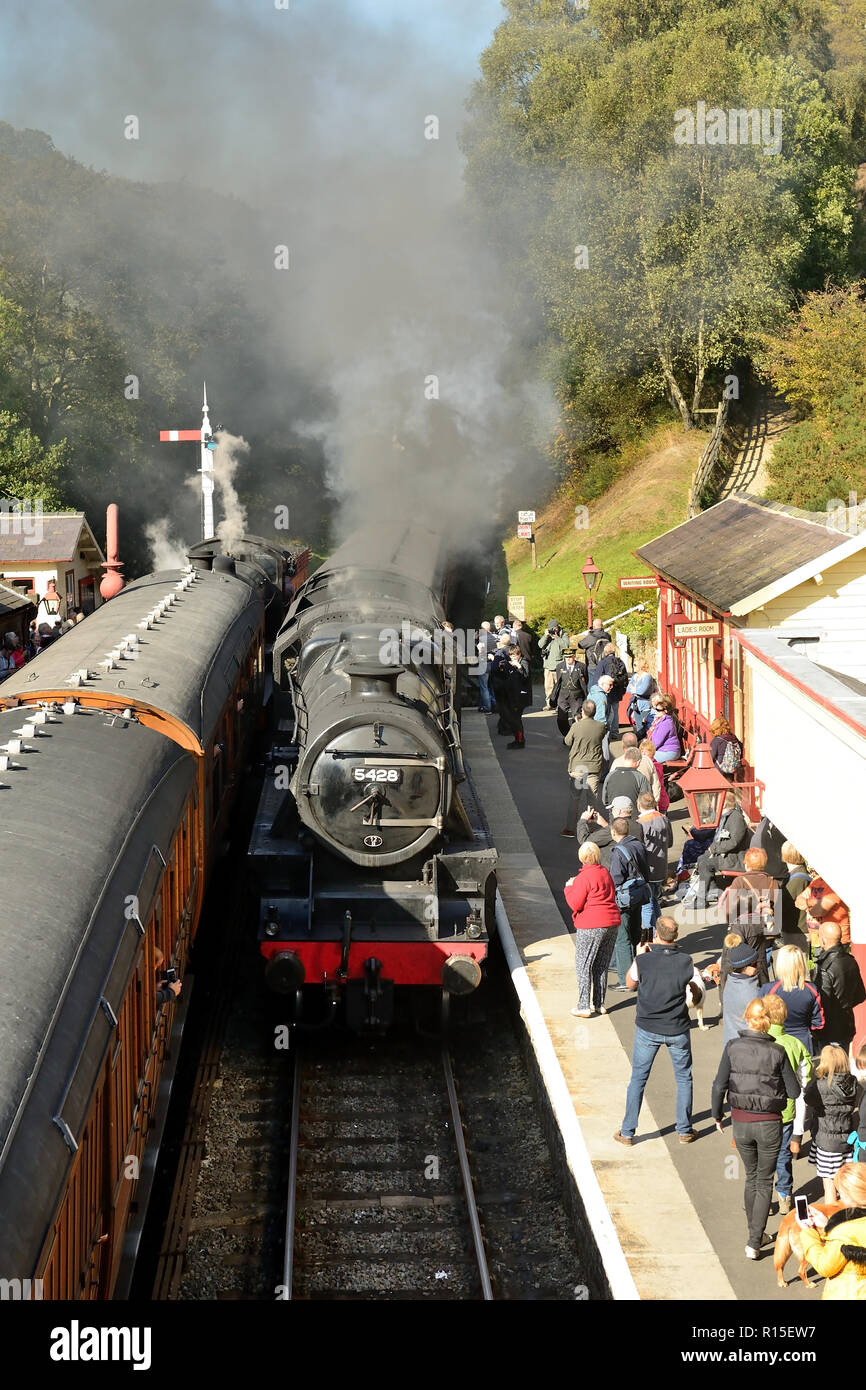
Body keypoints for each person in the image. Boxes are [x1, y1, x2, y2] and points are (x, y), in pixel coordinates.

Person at [711, 996, 799, 1259]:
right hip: (770, 1123)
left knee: (751, 1177)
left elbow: (718, 1086)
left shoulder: (732, 1047)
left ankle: (755, 1234)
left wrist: (718, 1115)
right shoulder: (778, 1052)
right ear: (767, 1023)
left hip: (740, 1122)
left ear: (746, 1019)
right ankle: (754, 1240)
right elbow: (793, 1091)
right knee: (764, 1180)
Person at [613, 917, 703, 1146]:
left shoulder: (643, 960)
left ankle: (627, 1132)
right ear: (676, 936)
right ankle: (684, 1130)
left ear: (656, 935)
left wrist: (639, 955)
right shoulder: (686, 961)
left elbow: (630, 984)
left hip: (647, 1028)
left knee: (638, 1079)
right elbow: (695, 986)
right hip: (678, 1028)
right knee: (683, 1078)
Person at [763, 992, 812, 1216]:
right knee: (783, 1155)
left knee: (762, 1157)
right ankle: (784, 1197)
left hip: (760, 1112)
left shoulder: (756, 1043)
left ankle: (762, 1200)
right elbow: (805, 1079)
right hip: (785, 1111)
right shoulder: (795, 1044)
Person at [564, 841, 621, 1017]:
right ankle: (599, 1004)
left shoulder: (583, 878)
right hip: (611, 922)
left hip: (591, 924)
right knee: (601, 965)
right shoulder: (605, 872)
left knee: (584, 964)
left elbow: (575, 904)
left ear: (582, 858)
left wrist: (568, 888)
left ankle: (583, 1006)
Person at [796, 1162, 866, 1300]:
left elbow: (825, 1266)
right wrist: (827, 1225)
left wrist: (808, 1231)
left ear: (850, 1195)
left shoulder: (844, 1233)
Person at [717, 847, 780, 986]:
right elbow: (778, 911)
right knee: (763, 965)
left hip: (744, 931)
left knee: (743, 966)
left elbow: (729, 910)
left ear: (746, 864)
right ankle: (762, 990)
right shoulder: (772, 882)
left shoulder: (740, 881)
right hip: (766, 932)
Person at [804, 1045, 859, 1203]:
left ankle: (831, 1221)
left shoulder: (821, 1085)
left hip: (827, 1140)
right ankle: (847, 1217)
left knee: (829, 1185)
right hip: (847, 1138)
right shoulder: (853, 1083)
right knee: (844, 1182)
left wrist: (816, 1078)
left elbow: (808, 1099)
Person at [609, 814, 651, 991]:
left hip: (625, 898)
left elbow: (616, 879)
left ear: (613, 832)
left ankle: (625, 979)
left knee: (622, 937)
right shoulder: (639, 845)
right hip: (639, 894)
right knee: (635, 933)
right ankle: (639, 972)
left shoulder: (618, 852)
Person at [688, 790, 750, 905]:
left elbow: (734, 842)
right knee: (702, 859)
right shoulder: (727, 816)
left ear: (724, 803)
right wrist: (712, 848)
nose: (713, 803)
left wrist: (715, 849)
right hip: (728, 855)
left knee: (706, 864)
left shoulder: (736, 818)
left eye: (716, 801)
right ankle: (712, 892)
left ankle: (701, 898)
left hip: (735, 859)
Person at [758, 944, 824, 1054]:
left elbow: (757, 1017)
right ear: (801, 965)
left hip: (774, 1043)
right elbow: (818, 1022)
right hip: (802, 1043)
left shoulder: (768, 990)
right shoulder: (811, 990)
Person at [813, 922, 866, 1053]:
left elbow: (822, 1002)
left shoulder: (825, 967)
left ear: (823, 940)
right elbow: (860, 995)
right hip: (846, 1023)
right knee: (843, 1064)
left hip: (829, 1030)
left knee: (831, 1068)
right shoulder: (851, 961)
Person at [562, 698, 606, 833]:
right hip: (593, 767)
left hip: (579, 768)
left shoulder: (576, 726)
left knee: (575, 797)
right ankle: (590, 829)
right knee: (592, 799)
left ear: (583, 711)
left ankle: (570, 828)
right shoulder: (600, 726)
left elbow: (567, 741)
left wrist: (577, 724)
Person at [636, 792, 672, 934]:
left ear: (639, 805)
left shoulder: (640, 824)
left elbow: (639, 848)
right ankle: (659, 932)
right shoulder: (664, 819)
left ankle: (649, 937)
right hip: (661, 867)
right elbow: (670, 843)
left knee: (647, 904)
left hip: (647, 869)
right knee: (655, 901)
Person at [720, 942, 761, 1047]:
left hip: (730, 1042)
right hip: (746, 1047)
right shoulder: (751, 992)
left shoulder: (731, 981)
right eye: (755, 964)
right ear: (745, 967)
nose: (759, 966)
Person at [594, 642, 628, 744]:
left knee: (606, 712)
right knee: (615, 711)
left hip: (606, 691)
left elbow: (597, 679)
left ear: (605, 652)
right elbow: (625, 678)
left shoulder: (603, 663)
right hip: (617, 691)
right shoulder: (620, 662)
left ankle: (606, 732)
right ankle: (615, 732)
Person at [549, 650, 587, 737]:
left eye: (570, 657)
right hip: (563, 695)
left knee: (577, 718)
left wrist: (585, 695)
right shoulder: (560, 666)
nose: (568, 659)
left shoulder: (581, 666)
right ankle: (567, 736)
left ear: (574, 656)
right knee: (561, 719)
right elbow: (558, 682)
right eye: (566, 657)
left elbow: (585, 681)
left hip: (577, 696)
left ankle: (574, 737)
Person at [602, 746, 650, 815]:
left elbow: (604, 800)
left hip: (614, 818)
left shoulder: (610, 775)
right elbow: (645, 801)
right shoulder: (640, 777)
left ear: (624, 759)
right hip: (634, 818)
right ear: (638, 762)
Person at [499, 644, 530, 749]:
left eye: (514, 656)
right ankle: (517, 739)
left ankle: (520, 740)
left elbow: (526, 677)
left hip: (520, 697)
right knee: (512, 719)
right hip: (512, 696)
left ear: (519, 654)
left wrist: (519, 666)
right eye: (511, 656)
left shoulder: (523, 662)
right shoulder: (511, 663)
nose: (512, 658)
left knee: (516, 720)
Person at [779, 843, 810, 945]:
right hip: (796, 929)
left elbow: (782, 904)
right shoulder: (798, 875)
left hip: (796, 931)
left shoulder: (797, 879)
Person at [587, 673, 615, 767]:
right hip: (600, 728)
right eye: (609, 685)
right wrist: (605, 728)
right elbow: (601, 717)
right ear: (602, 684)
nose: (611, 687)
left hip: (591, 726)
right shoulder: (601, 697)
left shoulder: (593, 691)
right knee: (604, 751)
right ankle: (604, 774)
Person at [644, 694, 681, 764]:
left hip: (669, 752)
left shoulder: (666, 723)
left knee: (644, 759)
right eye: (655, 709)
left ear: (666, 711)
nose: (655, 711)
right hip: (663, 750)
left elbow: (656, 743)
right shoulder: (660, 720)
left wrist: (645, 749)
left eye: (658, 710)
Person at [538, 620, 570, 701]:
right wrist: (546, 636)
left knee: (559, 685)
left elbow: (566, 646)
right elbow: (540, 645)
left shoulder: (563, 634)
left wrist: (557, 638)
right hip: (548, 665)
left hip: (558, 664)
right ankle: (549, 703)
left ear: (557, 627)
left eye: (554, 628)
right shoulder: (547, 635)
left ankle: (559, 704)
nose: (553, 630)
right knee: (548, 686)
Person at [489, 634, 513, 733]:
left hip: (500, 683)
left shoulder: (500, 653)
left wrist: (493, 659)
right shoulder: (512, 650)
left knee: (503, 706)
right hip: (510, 682)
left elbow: (494, 668)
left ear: (501, 642)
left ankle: (505, 727)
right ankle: (504, 725)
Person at [626, 659, 655, 739]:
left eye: (635, 665)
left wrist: (635, 689)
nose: (633, 666)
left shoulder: (647, 677)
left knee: (646, 726)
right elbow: (628, 689)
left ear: (641, 666)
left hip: (645, 704)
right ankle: (640, 745)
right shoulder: (635, 676)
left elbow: (642, 691)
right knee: (638, 727)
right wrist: (636, 689)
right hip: (636, 705)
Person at [639, 737, 669, 814]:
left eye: (645, 752)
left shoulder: (656, 766)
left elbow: (657, 784)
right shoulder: (647, 764)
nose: (643, 754)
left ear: (651, 752)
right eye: (642, 751)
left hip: (659, 800)